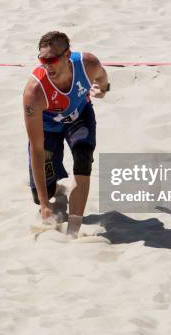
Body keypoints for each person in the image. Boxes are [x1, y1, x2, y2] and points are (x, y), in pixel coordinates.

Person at [22, 31, 109, 237]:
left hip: (79, 117)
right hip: (48, 127)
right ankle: (53, 193)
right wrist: (44, 205)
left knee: (83, 157)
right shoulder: (34, 92)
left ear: (67, 54)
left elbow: (103, 76)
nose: (47, 64)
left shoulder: (87, 64)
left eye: (51, 59)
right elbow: (36, 149)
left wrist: (104, 90)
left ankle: (74, 230)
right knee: (41, 196)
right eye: (43, 59)